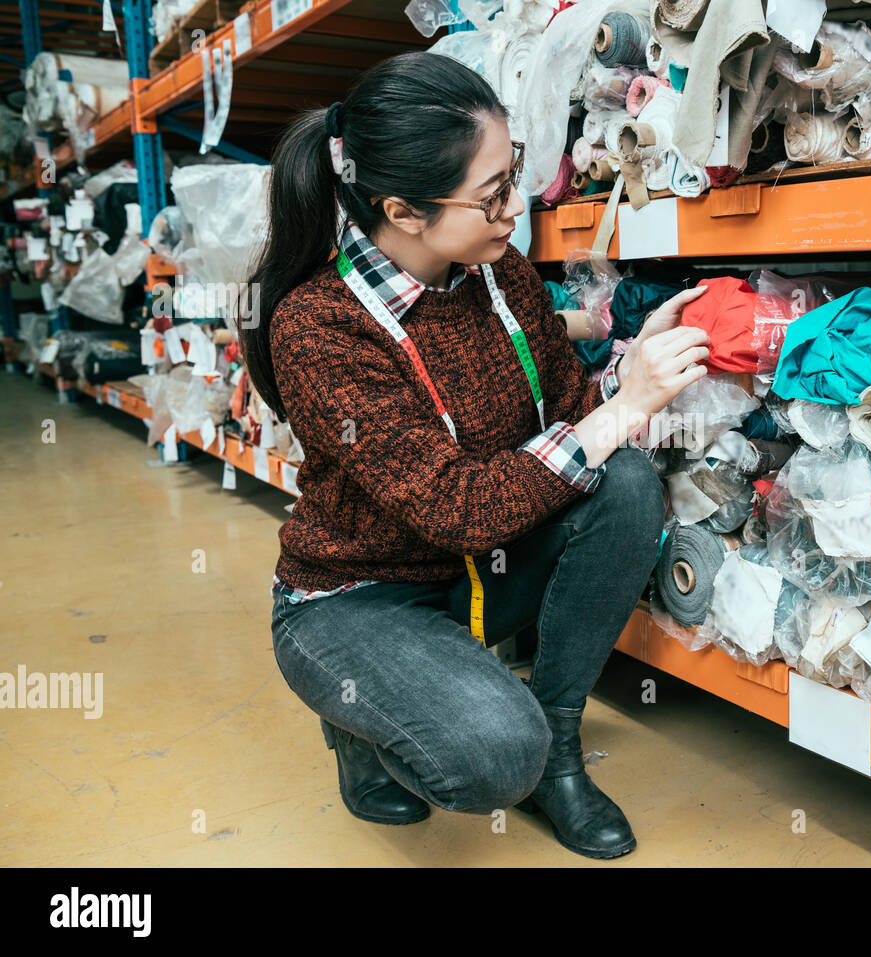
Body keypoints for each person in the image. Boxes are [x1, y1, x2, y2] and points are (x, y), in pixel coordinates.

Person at [238, 50, 711, 859]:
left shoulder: (502, 275)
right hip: (360, 595)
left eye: (512, 174)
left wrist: (627, 376)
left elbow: (565, 424)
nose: (512, 208)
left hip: (477, 568)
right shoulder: (319, 327)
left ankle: (560, 744)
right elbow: (453, 506)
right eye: (491, 195)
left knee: (625, 483)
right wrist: (626, 407)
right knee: (495, 756)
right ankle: (360, 715)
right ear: (405, 210)